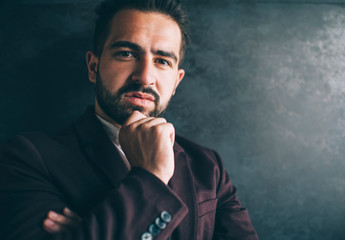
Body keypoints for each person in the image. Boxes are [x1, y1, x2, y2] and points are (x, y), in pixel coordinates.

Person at [0, 0, 258, 239]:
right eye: (126, 53)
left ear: (176, 81)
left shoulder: (210, 168)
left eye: (162, 60)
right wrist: (152, 175)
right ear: (93, 67)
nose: (145, 76)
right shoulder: (28, 159)